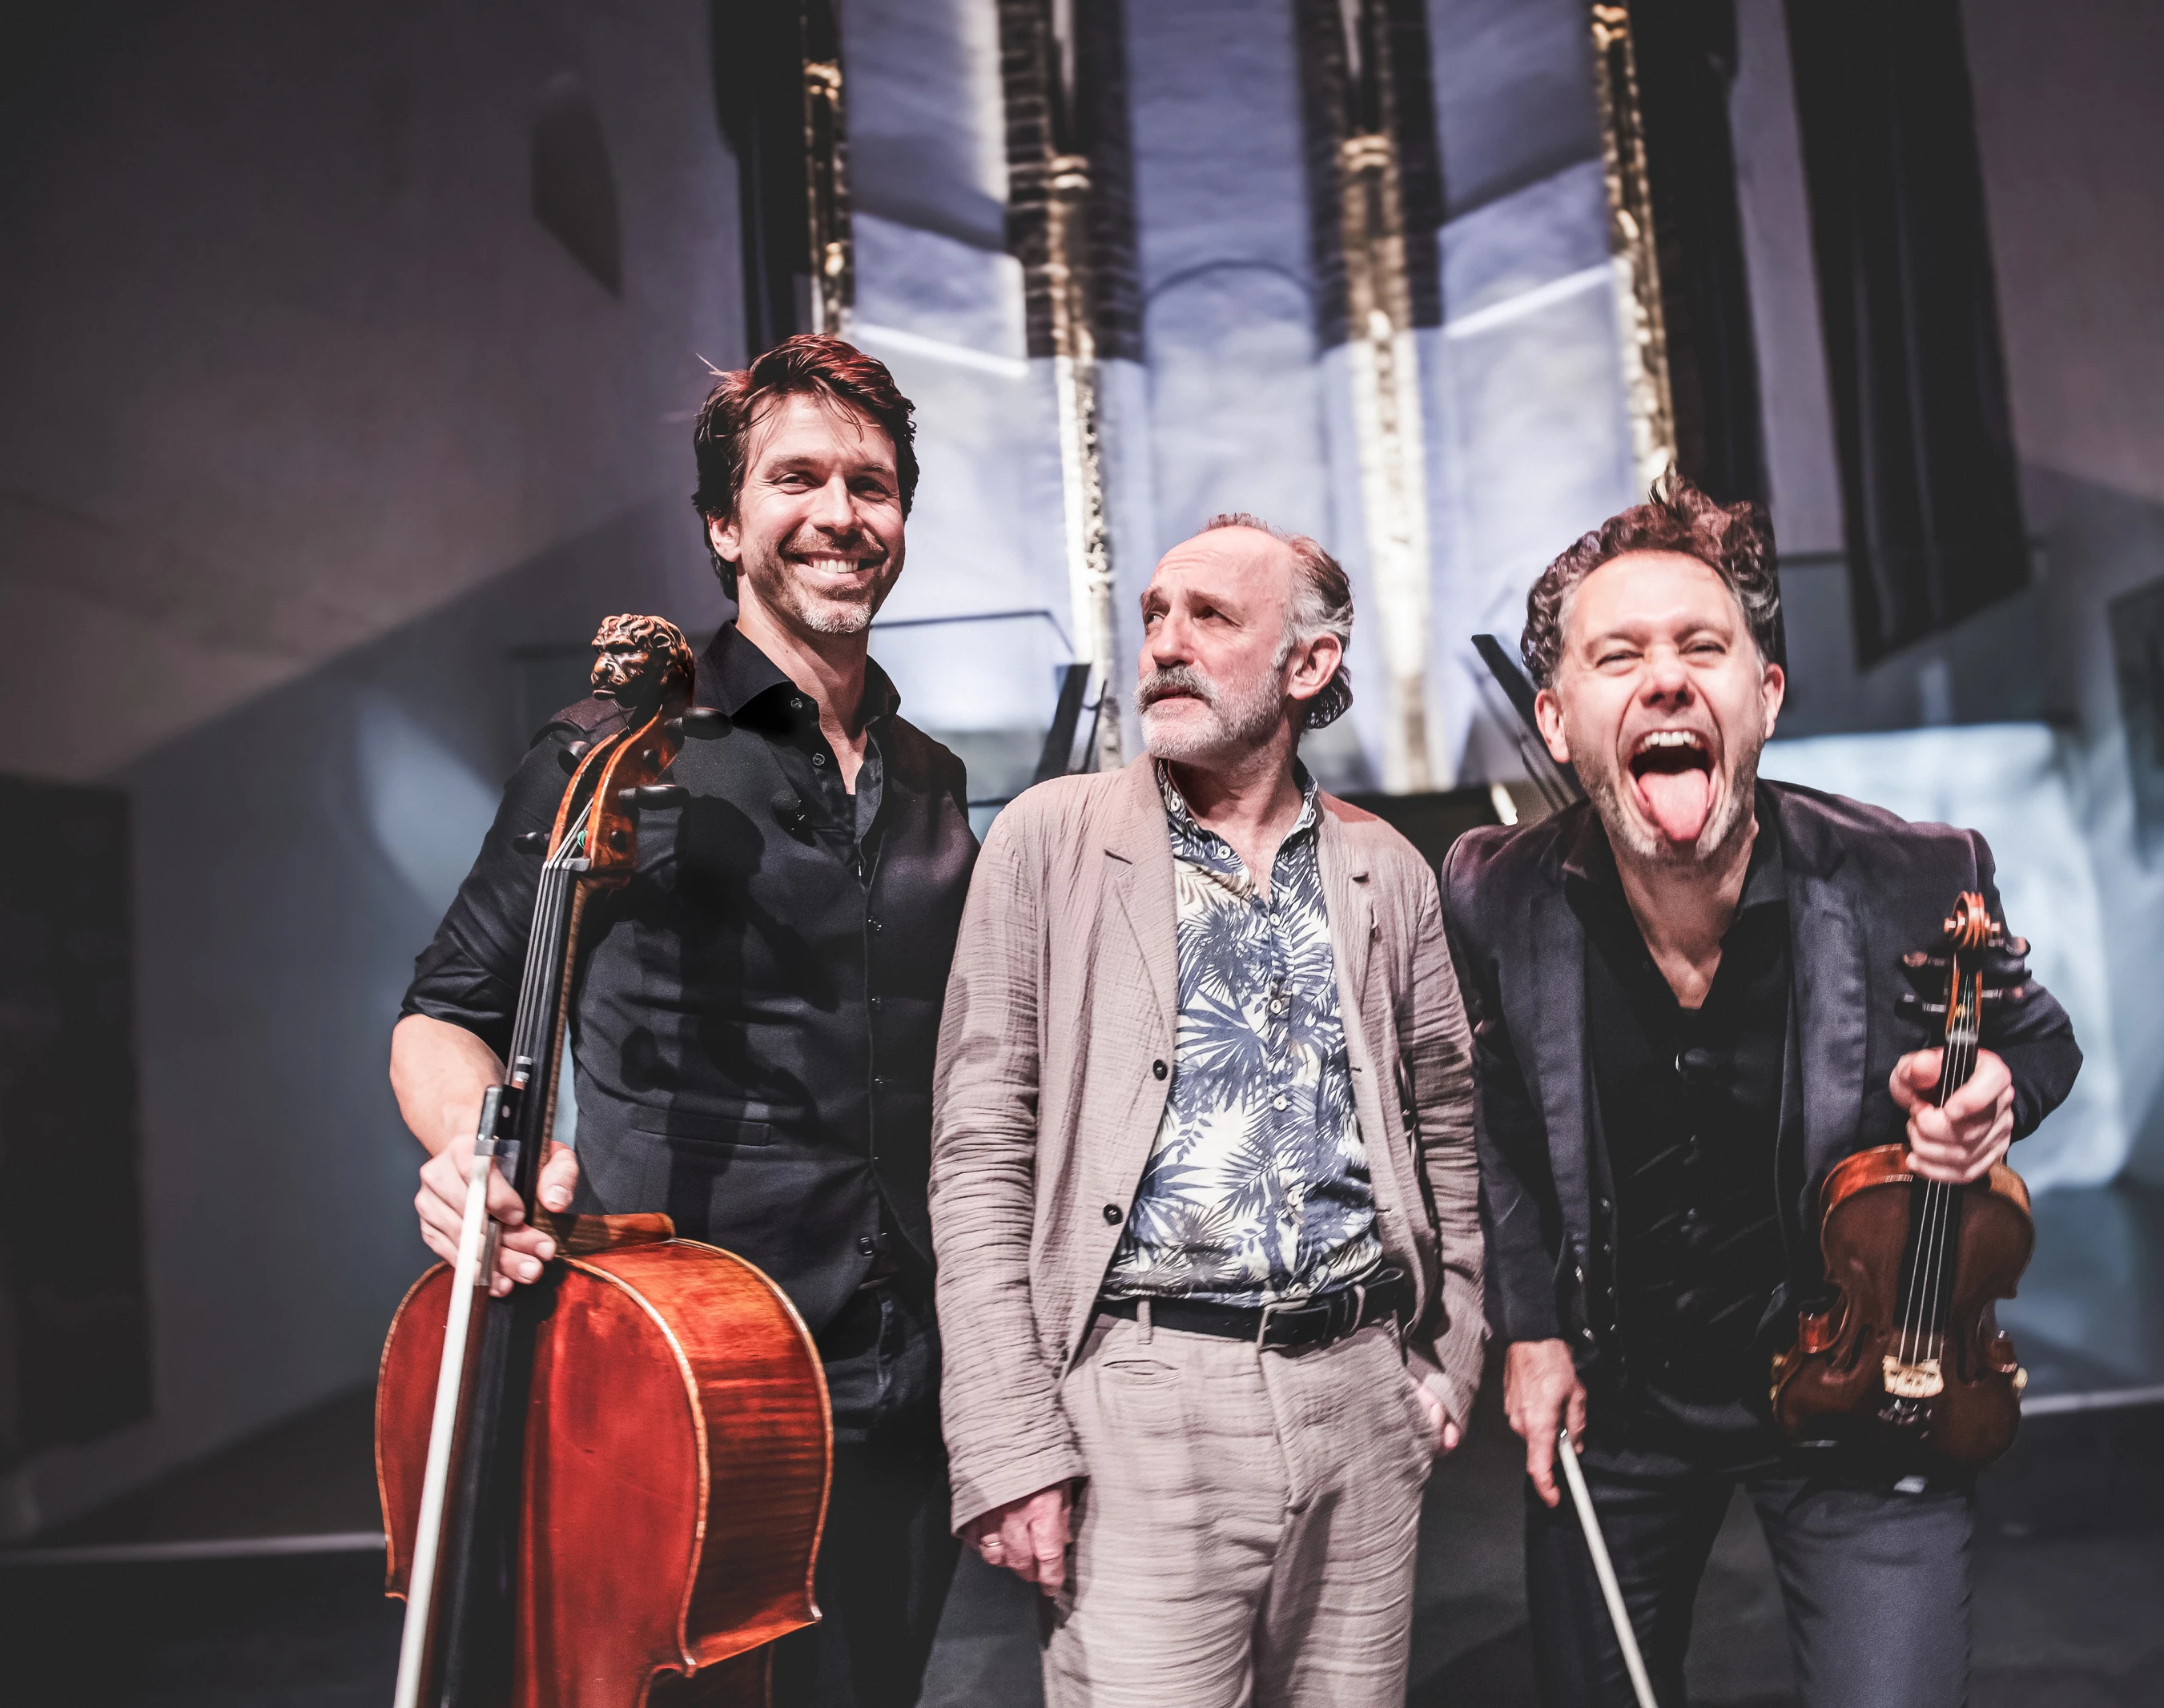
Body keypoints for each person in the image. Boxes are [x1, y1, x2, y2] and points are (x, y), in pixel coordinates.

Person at [392, 335, 975, 1707]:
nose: (842, 514)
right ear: (724, 525)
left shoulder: (932, 777)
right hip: (689, 1367)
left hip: (907, 1370)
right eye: (797, 480)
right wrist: (471, 1152)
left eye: (873, 485)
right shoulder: (607, 750)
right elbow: (444, 1011)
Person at [1442, 476, 2082, 1708]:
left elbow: (2039, 1041)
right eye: (1618, 655)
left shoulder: (1917, 876)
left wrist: (1996, 1090)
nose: (1665, 680)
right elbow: (1502, 1122)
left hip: (1863, 1393)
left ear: (1767, 695)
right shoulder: (1494, 892)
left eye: (1703, 647)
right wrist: (1529, 1330)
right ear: (1557, 719)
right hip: (1620, 1403)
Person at [929, 516, 1483, 1707]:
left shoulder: (1387, 869)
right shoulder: (1047, 840)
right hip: (1140, 1401)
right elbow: (979, 1152)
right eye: (1154, 616)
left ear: (1309, 663)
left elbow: (1445, 1120)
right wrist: (1010, 1441)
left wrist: (1449, 1357)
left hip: (1360, 1395)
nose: (1165, 644)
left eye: (1210, 617)